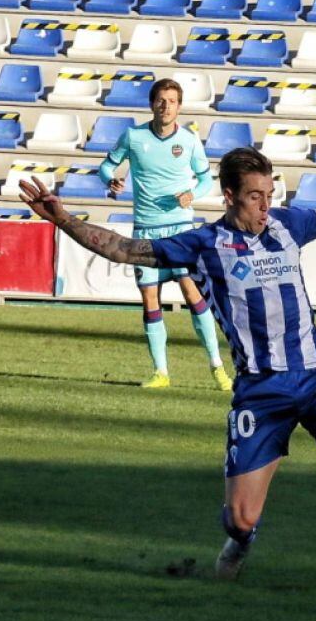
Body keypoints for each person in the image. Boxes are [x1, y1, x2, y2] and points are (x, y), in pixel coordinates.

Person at [19, 147, 316, 602]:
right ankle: (239, 542)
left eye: (270, 195)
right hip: (261, 392)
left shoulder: (288, 225)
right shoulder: (204, 244)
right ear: (229, 195)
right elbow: (125, 249)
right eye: (255, 197)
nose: (264, 206)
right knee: (242, 518)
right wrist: (62, 218)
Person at [99, 77, 232, 391]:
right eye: (161, 100)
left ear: (179, 106)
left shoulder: (188, 140)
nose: (165, 106)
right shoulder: (133, 136)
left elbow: (204, 179)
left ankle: (217, 368)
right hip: (146, 231)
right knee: (150, 300)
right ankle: (161, 372)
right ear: (152, 104)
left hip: (181, 232)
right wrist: (112, 180)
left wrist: (192, 194)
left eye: (172, 101)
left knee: (192, 294)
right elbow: (106, 166)